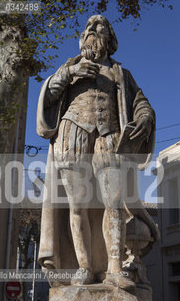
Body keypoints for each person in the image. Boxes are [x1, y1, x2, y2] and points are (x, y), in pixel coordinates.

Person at [37, 15, 158, 290]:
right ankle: (84, 267)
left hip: (111, 138)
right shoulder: (69, 67)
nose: (93, 30)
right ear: (83, 38)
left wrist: (145, 119)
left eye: (99, 27)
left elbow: (141, 103)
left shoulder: (120, 73)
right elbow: (49, 96)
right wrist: (68, 75)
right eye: (89, 27)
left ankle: (114, 268)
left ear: (109, 40)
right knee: (77, 205)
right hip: (72, 135)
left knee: (113, 202)